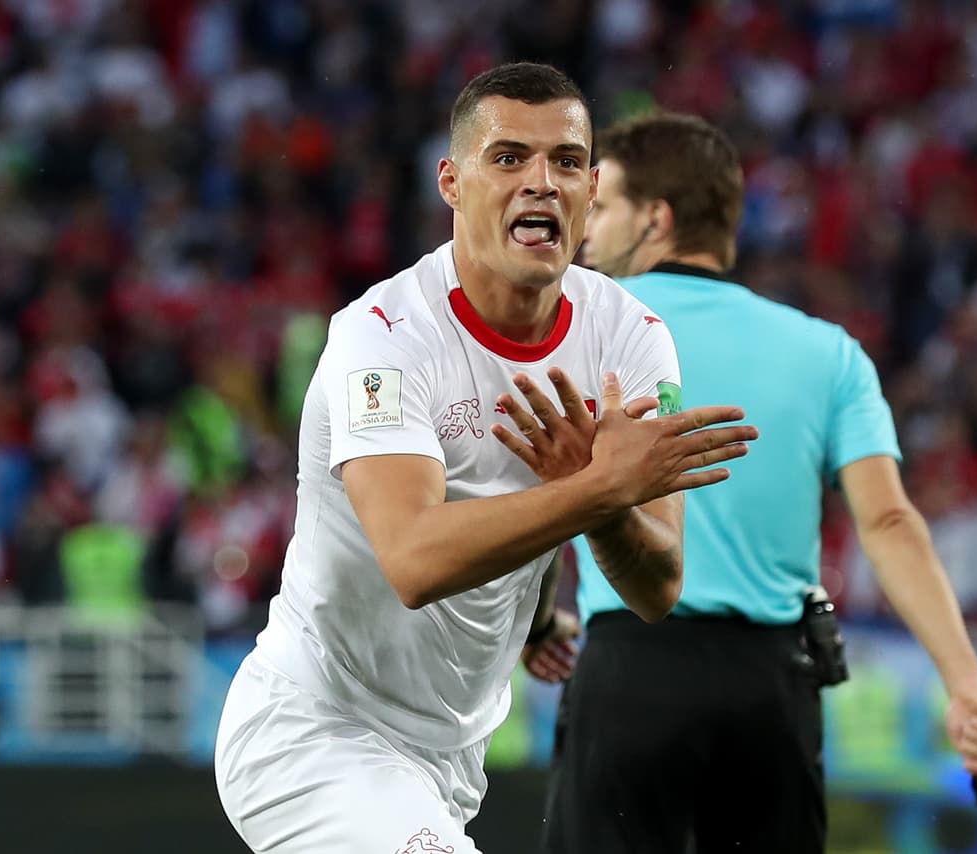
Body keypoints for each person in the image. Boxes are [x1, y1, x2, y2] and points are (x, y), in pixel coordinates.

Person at [213, 65, 757, 854]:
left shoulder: (634, 339)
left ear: (592, 189)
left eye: (566, 163)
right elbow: (413, 559)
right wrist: (597, 488)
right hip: (312, 729)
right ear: (453, 183)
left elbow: (657, 587)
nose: (541, 182)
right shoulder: (383, 339)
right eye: (508, 158)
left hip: (446, 762)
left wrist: (591, 524)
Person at [519, 113, 977, 853]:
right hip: (772, 686)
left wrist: (532, 621)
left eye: (606, 204)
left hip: (632, 672)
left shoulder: (575, 330)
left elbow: (521, 488)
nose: (586, 226)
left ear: (657, 218)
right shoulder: (829, 352)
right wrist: (966, 682)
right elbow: (889, 525)